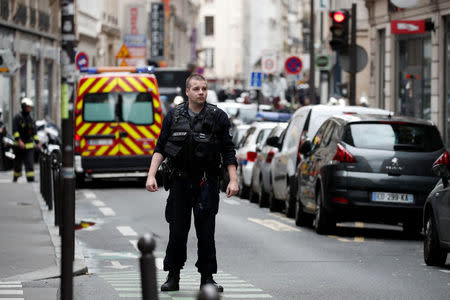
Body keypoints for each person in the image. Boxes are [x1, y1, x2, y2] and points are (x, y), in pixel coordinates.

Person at [145, 74, 239, 293]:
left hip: (206, 181)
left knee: (206, 232)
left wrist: (233, 180)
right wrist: (151, 175)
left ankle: (207, 278)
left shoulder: (218, 117)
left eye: (204, 88)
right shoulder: (173, 116)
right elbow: (160, 148)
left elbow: (228, 151)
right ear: (187, 91)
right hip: (179, 181)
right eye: (196, 89)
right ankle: (173, 276)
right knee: (177, 230)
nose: (201, 92)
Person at [12, 98, 40, 182]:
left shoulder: (31, 119)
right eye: (28, 107)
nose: (29, 108)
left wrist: (38, 143)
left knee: (30, 163)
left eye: (30, 107)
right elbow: (15, 131)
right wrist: (19, 141)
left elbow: (34, 133)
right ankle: (16, 177)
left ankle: (30, 179)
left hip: (29, 146)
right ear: (23, 107)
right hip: (19, 145)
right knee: (17, 165)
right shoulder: (17, 117)